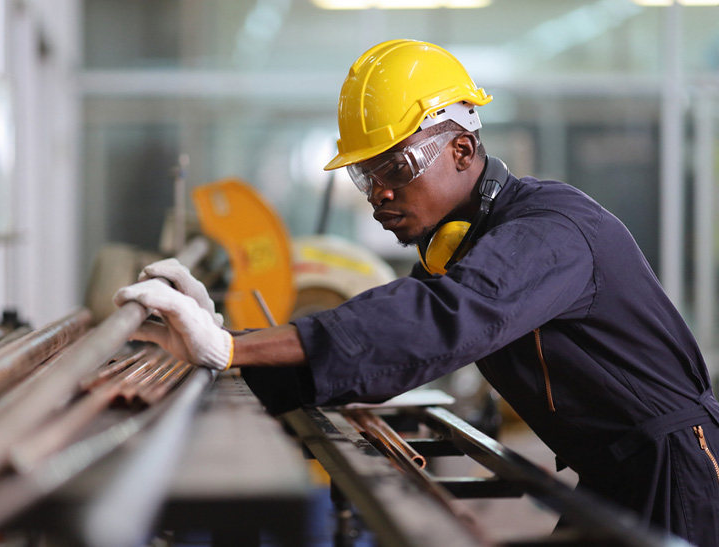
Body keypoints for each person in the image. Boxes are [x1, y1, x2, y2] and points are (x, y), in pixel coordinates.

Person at [113, 39, 719, 545]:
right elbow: (396, 351)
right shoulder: (461, 240)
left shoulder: (547, 232)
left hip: (677, 474)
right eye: (366, 176)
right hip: (616, 471)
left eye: (395, 169)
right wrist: (228, 344)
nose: (378, 194)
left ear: (461, 149)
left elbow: (437, 320)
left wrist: (228, 348)